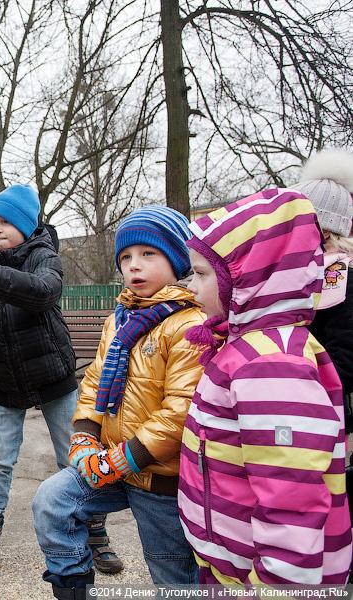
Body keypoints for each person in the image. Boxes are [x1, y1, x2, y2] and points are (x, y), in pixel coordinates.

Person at [178, 188, 352, 585]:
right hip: (230, 565)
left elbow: (292, 501)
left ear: (250, 277)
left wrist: (277, 585)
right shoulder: (245, 347)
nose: (190, 286)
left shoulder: (271, 366)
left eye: (202, 274)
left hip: (256, 579)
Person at [32, 205, 205, 597]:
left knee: (171, 573)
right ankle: (74, 588)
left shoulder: (189, 324)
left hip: (159, 477)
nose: (134, 265)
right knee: (53, 501)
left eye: (148, 254)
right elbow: (94, 381)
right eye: (125, 257)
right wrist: (84, 437)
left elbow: (181, 411)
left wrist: (124, 458)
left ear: (178, 260)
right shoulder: (120, 319)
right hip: (109, 464)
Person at [0, 184, 78, 570]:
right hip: (6, 378)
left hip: (52, 374)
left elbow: (42, 292)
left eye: (5, 221)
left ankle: (91, 529)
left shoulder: (44, 256)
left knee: (72, 456)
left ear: (26, 225)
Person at [302, 150, 353, 436]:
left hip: (320, 411)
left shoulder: (341, 277)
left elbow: (344, 355)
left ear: (323, 231)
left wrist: (300, 390)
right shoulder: (306, 271)